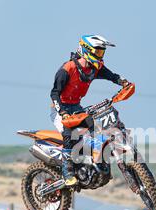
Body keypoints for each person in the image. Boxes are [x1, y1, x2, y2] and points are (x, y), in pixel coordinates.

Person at [50, 35, 130, 186]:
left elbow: (110, 75)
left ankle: (98, 164)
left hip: (77, 107)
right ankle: (67, 173)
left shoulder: (94, 68)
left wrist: (122, 82)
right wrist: (63, 113)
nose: (100, 56)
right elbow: (54, 93)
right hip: (59, 109)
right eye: (98, 52)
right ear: (86, 50)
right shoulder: (67, 69)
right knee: (70, 134)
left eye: (102, 52)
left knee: (97, 130)